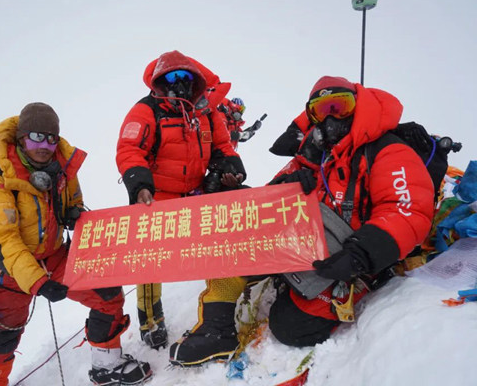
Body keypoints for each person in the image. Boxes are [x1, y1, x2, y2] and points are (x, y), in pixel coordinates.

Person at [0, 103, 151, 386]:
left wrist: (73, 212)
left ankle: (106, 366)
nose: (44, 145)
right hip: (8, 270)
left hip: (55, 257)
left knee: (107, 292)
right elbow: (4, 242)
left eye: (51, 138)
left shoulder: (63, 167)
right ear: (21, 139)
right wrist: (38, 282)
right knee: (2, 336)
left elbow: (74, 199)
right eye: (36, 137)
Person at [266, 76, 435, 346]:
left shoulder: (387, 151)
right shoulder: (313, 152)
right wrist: (286, 186)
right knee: (241, 260)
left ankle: (366, 282)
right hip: (312, 243)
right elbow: (263, 200)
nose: (331, 119)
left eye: (340, 107)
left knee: (289, 325)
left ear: (358, 107)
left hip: (355, 255)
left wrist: (360, 255)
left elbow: (407, 211)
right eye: (321, 111)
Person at [115, 50, 247, 354]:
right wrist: (139, 186)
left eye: (186, 76)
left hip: (195, 196)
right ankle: (151, 323)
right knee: (149, 264)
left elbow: (223, 148)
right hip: (155, 198)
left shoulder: (207, 114)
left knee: (217, 244)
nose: (180, 83)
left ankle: (218, 309)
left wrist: (232, 171)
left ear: (196, 81)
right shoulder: (146, 110)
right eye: (172, 77)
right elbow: (129, 149)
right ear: (160, 81)